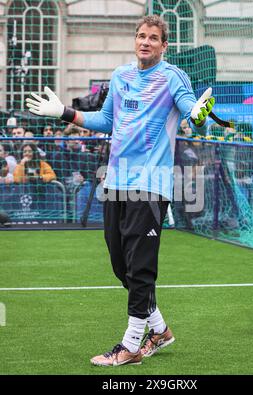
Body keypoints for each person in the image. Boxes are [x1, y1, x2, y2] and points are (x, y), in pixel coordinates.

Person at [26, 15, 215, 367]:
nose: (145, 42)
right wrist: (65, 112)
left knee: (140, 267)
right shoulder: (121, 75)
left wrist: (199, 113)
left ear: (164, 45)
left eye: (153, 38)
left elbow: (191, 109)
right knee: (120, 265)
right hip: (115, 182)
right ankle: (159, 330)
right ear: (136, 40)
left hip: (149, 185)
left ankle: (130, 347)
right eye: (141, 36)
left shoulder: (172, 76)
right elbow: (106, 121)